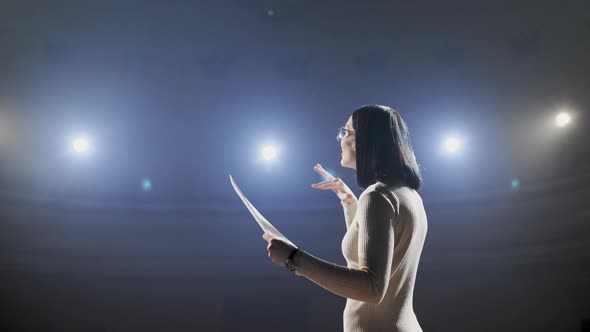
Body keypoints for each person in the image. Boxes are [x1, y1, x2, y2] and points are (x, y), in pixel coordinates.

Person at [263, 104, 427, 332]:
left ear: (367, 142)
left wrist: (294, 258)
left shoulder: (377, 196)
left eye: (346, 132)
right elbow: (368, 254)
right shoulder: (407, 194)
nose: (340, 139)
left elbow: (372, 287)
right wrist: (350, 202)